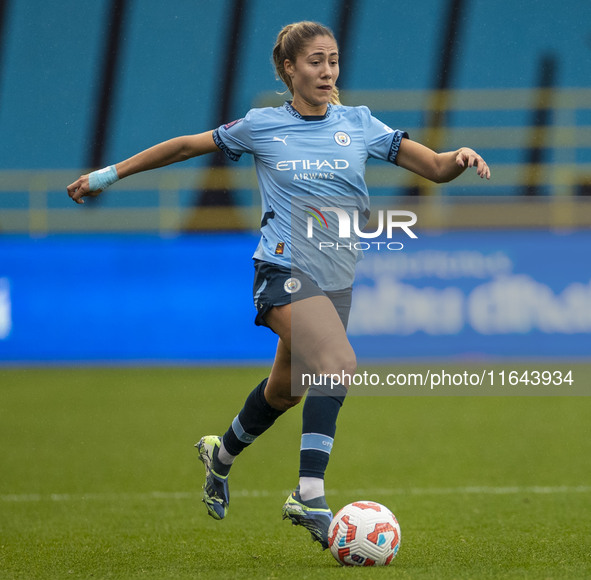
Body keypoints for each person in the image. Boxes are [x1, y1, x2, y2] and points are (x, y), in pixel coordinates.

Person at [67, 21, 490, 549]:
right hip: (283, 270)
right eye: (315, 61)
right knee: (338, 364)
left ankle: (219, 456)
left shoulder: (359, 123)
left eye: (333, 60)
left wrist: (459, 158)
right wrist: (108, 175)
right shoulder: (261, 126)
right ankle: (308, 493)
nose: (327, 71)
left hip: (336, 282)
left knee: (285, 392)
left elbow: (431, 165)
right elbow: (182, 147)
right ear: (289, 68)